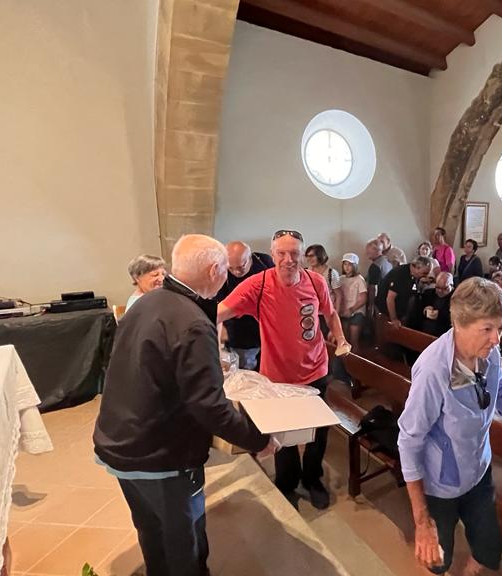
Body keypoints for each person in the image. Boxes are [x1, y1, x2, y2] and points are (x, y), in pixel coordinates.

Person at [94, 235, 275, 576]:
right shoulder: (191, 321)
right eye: (225, 270)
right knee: (184, 539)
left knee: (151, 528)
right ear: (213, 270)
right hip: (160, 454)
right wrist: (260, 440)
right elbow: (209, 406)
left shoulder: (146, 302)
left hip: (118, 441)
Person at [398, 278, 502, 575]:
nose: (497, 339)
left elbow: (501, 393)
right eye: (488, 328)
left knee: (489, 546)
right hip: (441, 483)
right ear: (459, 324)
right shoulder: (434, 371)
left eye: (501, 328)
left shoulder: (489, 355)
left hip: (478, 470)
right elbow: (409, 440)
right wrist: (421, 521)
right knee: (438, 558)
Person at [218, 229, 349, 509]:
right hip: (277, 375)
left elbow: (331, 313)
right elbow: (219, 312)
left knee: (317, 431)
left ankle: (313, 478)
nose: (288, 259)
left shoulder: (315, 281)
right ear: (272, 253)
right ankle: (287, 482)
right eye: (281, 253)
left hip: (316, 370)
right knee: (283, 432)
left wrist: (341, 337)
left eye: (294, 253)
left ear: (303, 254)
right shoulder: (259, 284)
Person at [216, 241, 273, 370]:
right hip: (239, 329)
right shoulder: (222, 272)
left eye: (241, 266)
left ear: (249, 258)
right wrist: (222, 329)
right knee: (246, 367)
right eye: (231, 268)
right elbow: (218, 305)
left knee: (268, 368)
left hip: (265, 325)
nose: (236, 272)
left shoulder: (264, 262)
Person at [381, 257, 433, 324]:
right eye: (424, 273)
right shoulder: (400, 274)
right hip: (386, 313)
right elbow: (390, 298)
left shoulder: (414, 274)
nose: (426, 276)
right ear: (416, 267)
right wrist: (394, 319)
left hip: (401, 313)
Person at [408, 272, 454, 337]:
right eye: (437, 287)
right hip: (422, 332)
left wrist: (440, 315)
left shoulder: (457, 298)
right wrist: (424, 311)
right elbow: (416, 312)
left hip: (442, 335)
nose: (440, 291)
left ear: (451, 286)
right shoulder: (428, 293)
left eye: (444, 288)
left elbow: (457, 320)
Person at [305, 244, 343, 322]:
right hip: (310, 312)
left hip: (326, 313)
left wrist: (336, 317)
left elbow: (339, 295)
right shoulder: (306, 272)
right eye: (307, 256)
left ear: (320, 256)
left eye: (312, 256)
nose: (309, 259)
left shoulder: (331, 273)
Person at [339, 253, 368, 347]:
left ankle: (356, 360)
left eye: (350, 264)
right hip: (344, 311)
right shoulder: (341, 279)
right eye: (345, 264)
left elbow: (363, 298)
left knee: (353, 341)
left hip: (356, 312)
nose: (347, 267)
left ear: (354, 266)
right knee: (345, 340)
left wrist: (351, 309)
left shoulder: (359, 279)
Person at [366, 238, 393, 316]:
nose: (367, 253)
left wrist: (371, 305)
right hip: (387, 301)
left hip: (378, 303)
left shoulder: (375, 266)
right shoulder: (387, 262)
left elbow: (373, 287)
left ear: (376, 250)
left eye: (368, 250)